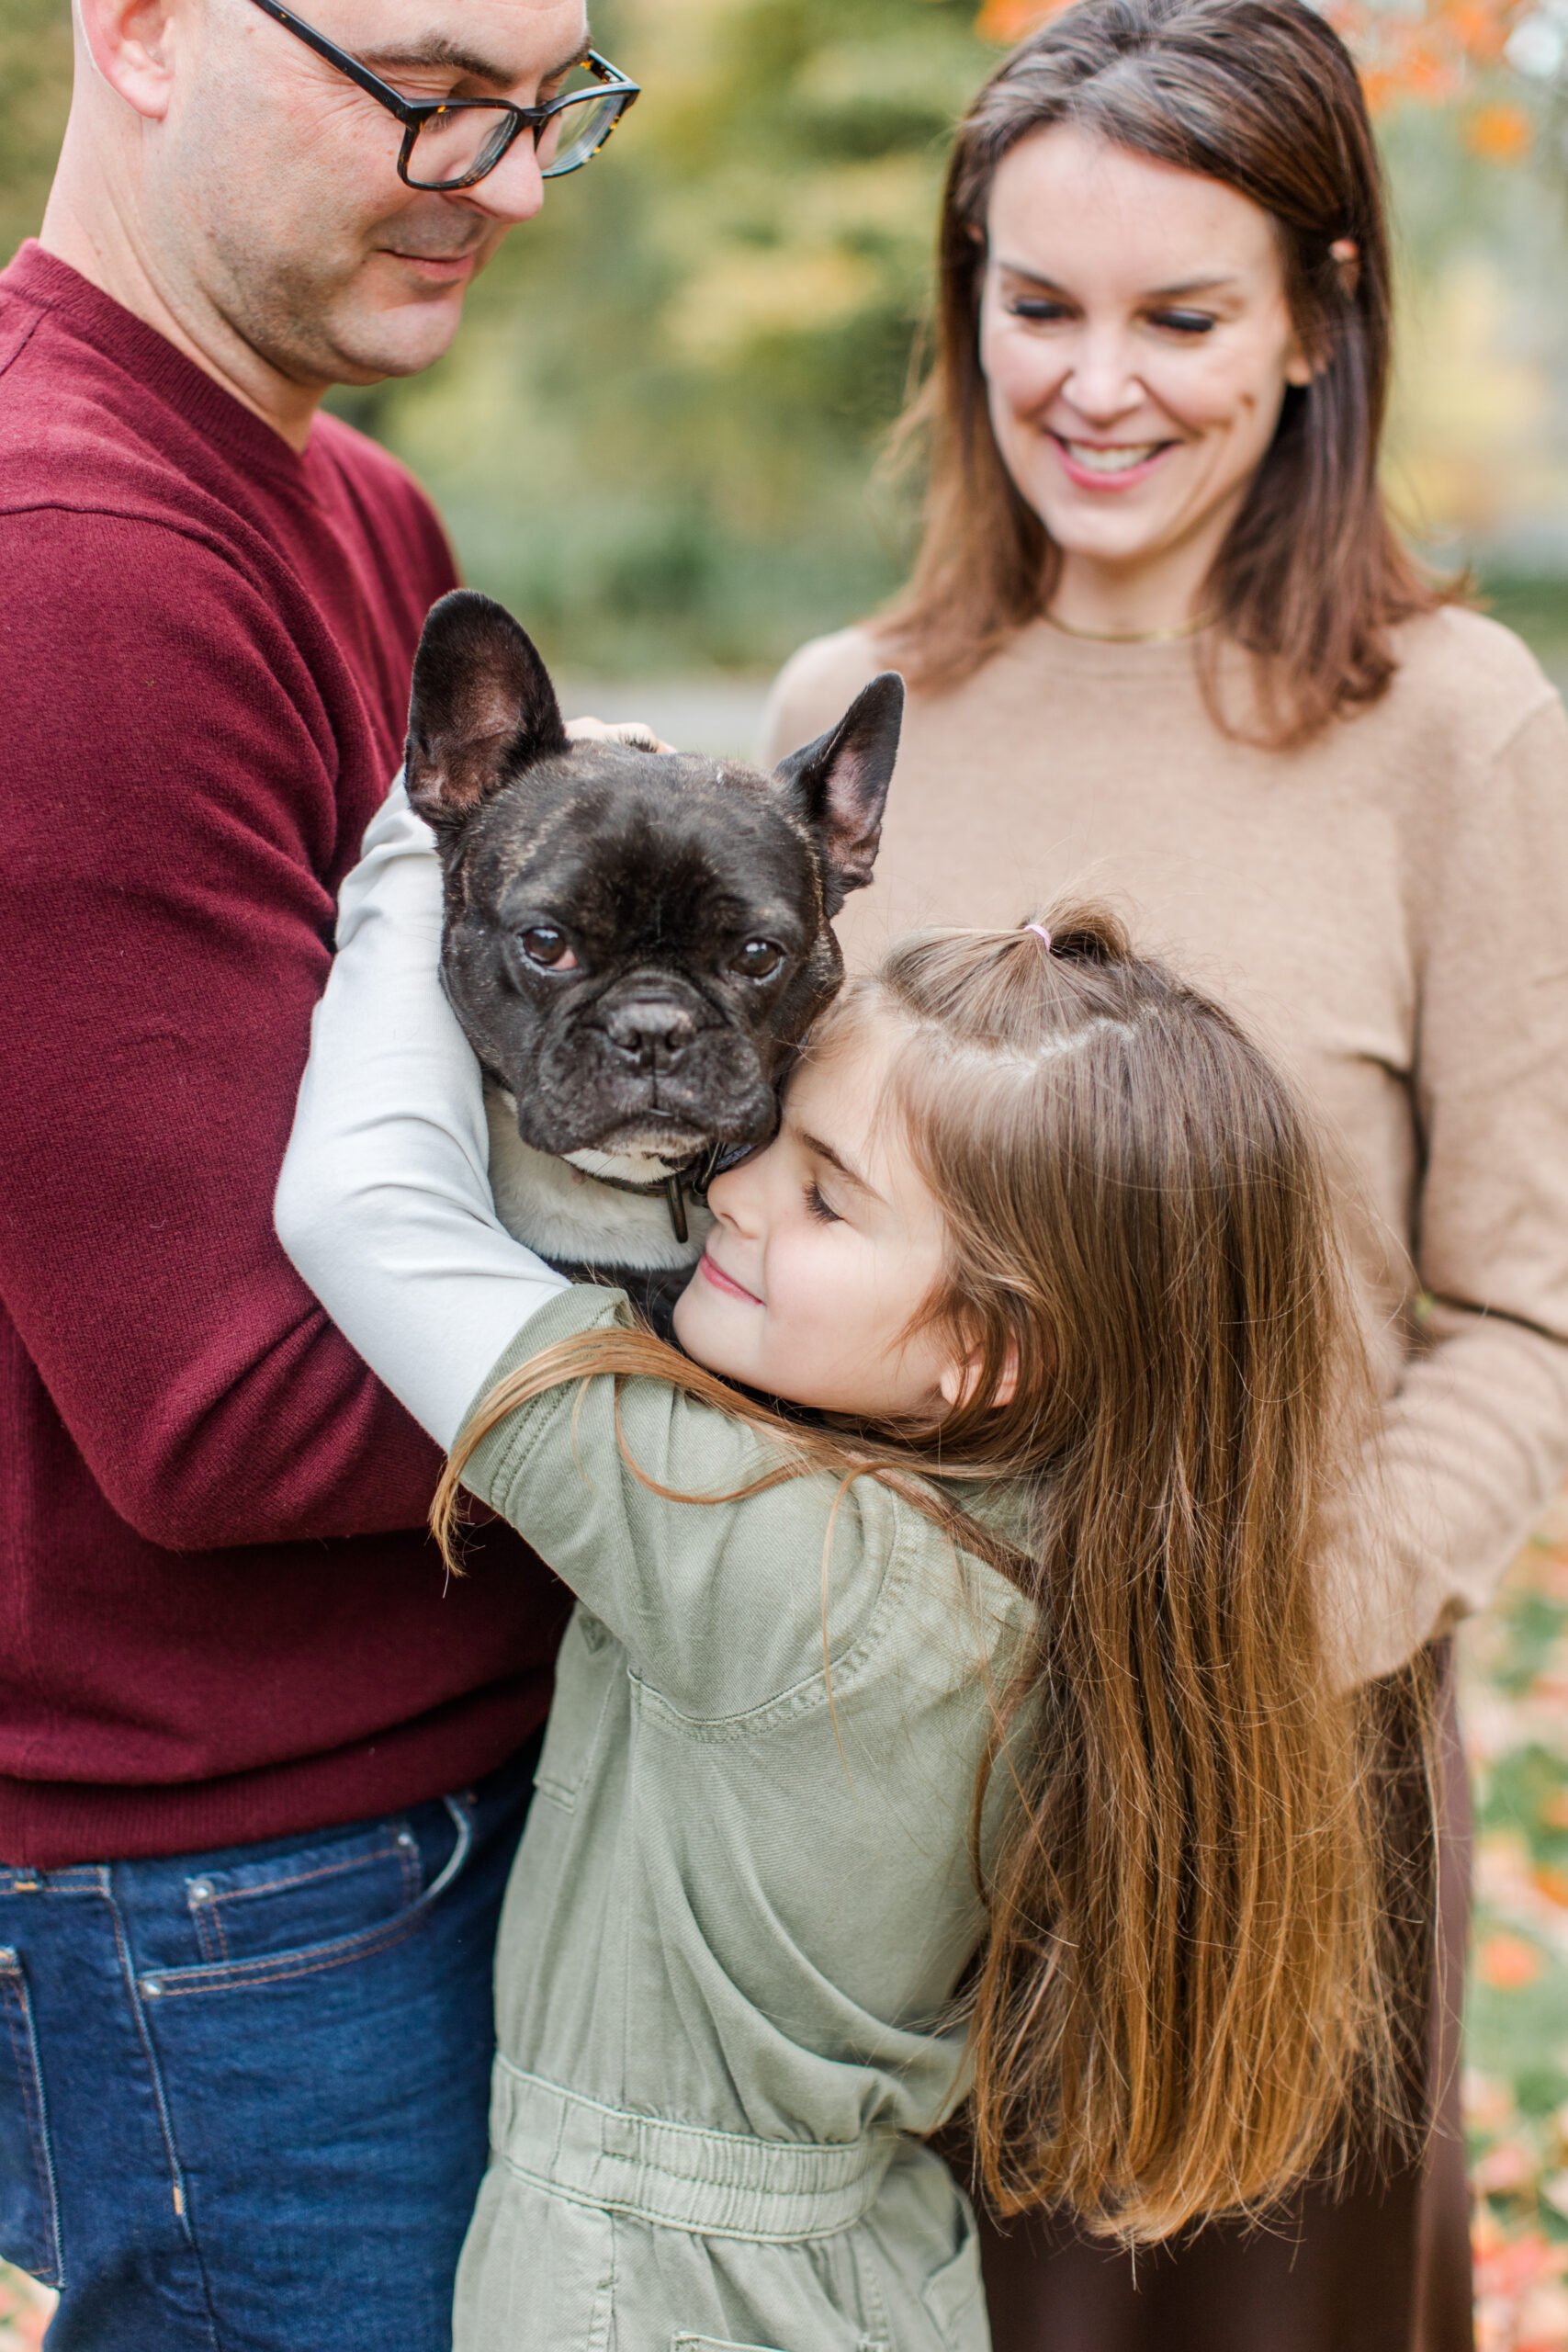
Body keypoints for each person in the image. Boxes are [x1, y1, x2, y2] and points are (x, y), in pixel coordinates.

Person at [760, 2, 1568, 2347]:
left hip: (1268, 1800)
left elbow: (1523, 1309)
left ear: (1319, 316)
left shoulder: (1449, 727)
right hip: (880, 1791)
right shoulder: (854, 708)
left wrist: (1252, 1644)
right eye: (1039, 306)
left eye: (1180, 315)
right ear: (964, 305)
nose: (1095, 382)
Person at [275, 778, 1423, 2352]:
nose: (727, 1186)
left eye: (820, 1191)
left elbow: (362, 1208)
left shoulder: (778, 1565)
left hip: (641, 2305)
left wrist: (431, 842)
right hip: (880, 2274)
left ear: (985, 1355)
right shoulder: (1073, 1551)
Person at [0, 0, 637, 2343]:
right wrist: (793, 1359)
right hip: (241, 1898)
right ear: (144, 31)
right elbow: (224, 1402)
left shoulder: (360, 509)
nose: (511, 176)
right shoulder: (62, 567)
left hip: (443, 1786)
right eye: (431, 87)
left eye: (552, 93)